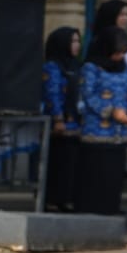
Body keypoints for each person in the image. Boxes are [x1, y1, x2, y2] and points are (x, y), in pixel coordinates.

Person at [75, 26, 127, 217]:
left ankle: (111, 208)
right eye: (117, 52)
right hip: (97, 132)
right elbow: (89, 96)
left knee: (114, 174)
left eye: (122, 53)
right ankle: (92, 212)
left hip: (119, 133)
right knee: (97, 174)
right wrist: (111, 111)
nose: (119, 57)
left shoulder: (123, 67)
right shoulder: (91, 67)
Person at [41, 27, 83, 212]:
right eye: (72, 42)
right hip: (58, 123)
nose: (76, 46)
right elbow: (52, 93)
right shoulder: (52, 66)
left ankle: (66, 198)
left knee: (71, 163)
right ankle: (51, 199)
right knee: (56, 163)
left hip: (75, 122)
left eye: (78, 41)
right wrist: (58, 118)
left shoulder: (75, 66)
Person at [92, 0, 127, 76]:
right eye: (121, 15)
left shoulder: (124, 40)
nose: (126, 19)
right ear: (111, 15)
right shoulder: (99, 42)